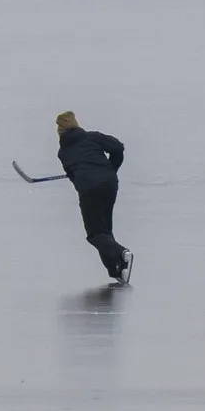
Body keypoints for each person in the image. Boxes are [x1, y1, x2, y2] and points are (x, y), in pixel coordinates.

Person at [55, 110, 132, 282]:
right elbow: (118, 147)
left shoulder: (63, 153)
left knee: (95, 234)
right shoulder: (92, 137)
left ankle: (121, 253)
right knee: (104, 231)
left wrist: (82, 180)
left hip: (89, 188)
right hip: (109, 184)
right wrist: (111, 169)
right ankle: (116, 271)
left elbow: (74, 179)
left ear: (60, 132)